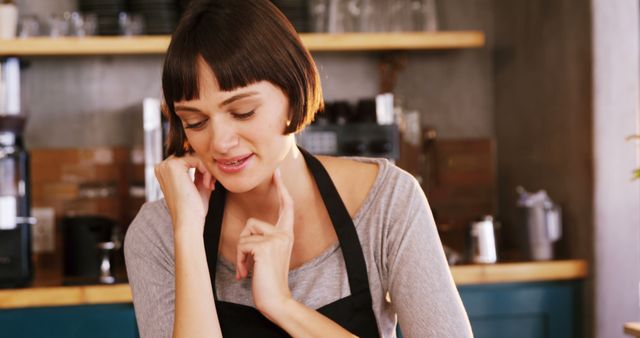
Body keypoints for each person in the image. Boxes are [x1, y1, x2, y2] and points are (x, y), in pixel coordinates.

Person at [124, 0, 472, 337]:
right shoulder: (158, 233)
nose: (220, 142)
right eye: (196, 121)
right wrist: (186, 233)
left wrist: (282, 306)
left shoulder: (388, 202)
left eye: (243, 112)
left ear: (292, 96)